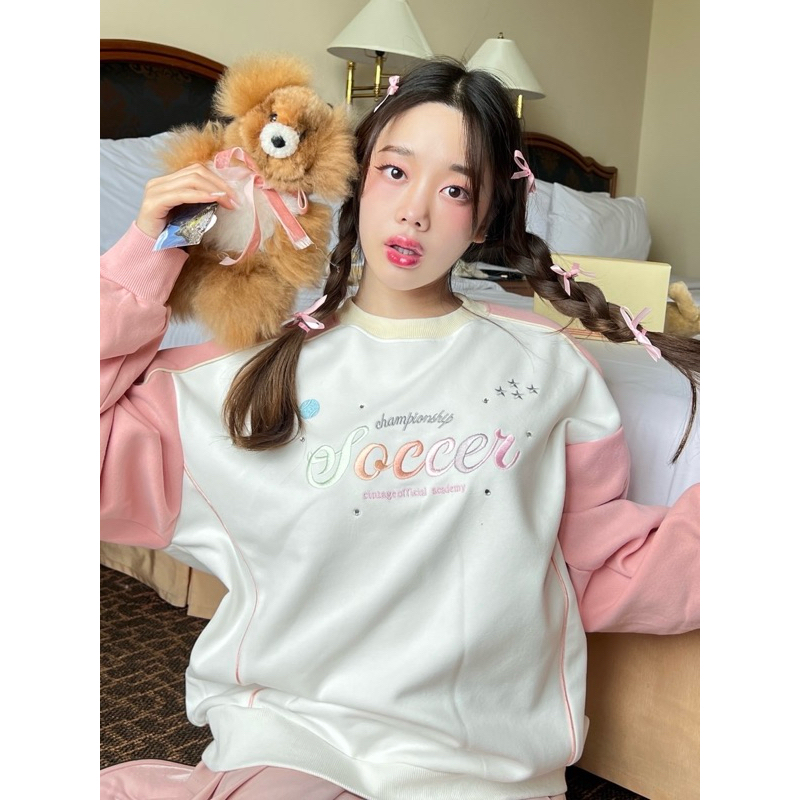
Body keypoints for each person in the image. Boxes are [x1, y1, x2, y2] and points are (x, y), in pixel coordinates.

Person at [100, 57, 700, 800]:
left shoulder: (551, 368)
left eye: (454, 189)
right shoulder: (240, 375)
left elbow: (598, 563)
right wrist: (145, 257)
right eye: (394, 171)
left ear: (485, 216)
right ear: (356, 180)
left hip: (480, 766)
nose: (415, 211)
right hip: (300, 740)